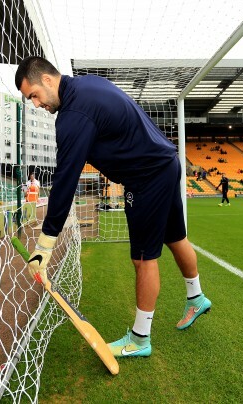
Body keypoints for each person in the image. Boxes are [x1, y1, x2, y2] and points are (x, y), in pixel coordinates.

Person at [15, 56, 211, 359]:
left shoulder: (73, 114)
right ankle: (196, 296)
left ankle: (140, 338)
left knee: (144, 259)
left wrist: (45, 244)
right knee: (175, 237)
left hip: (146, 177)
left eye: (34, 96)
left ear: (48, 80)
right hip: (165, 162)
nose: (36, 104)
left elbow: (66, 179)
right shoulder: (87, 85)